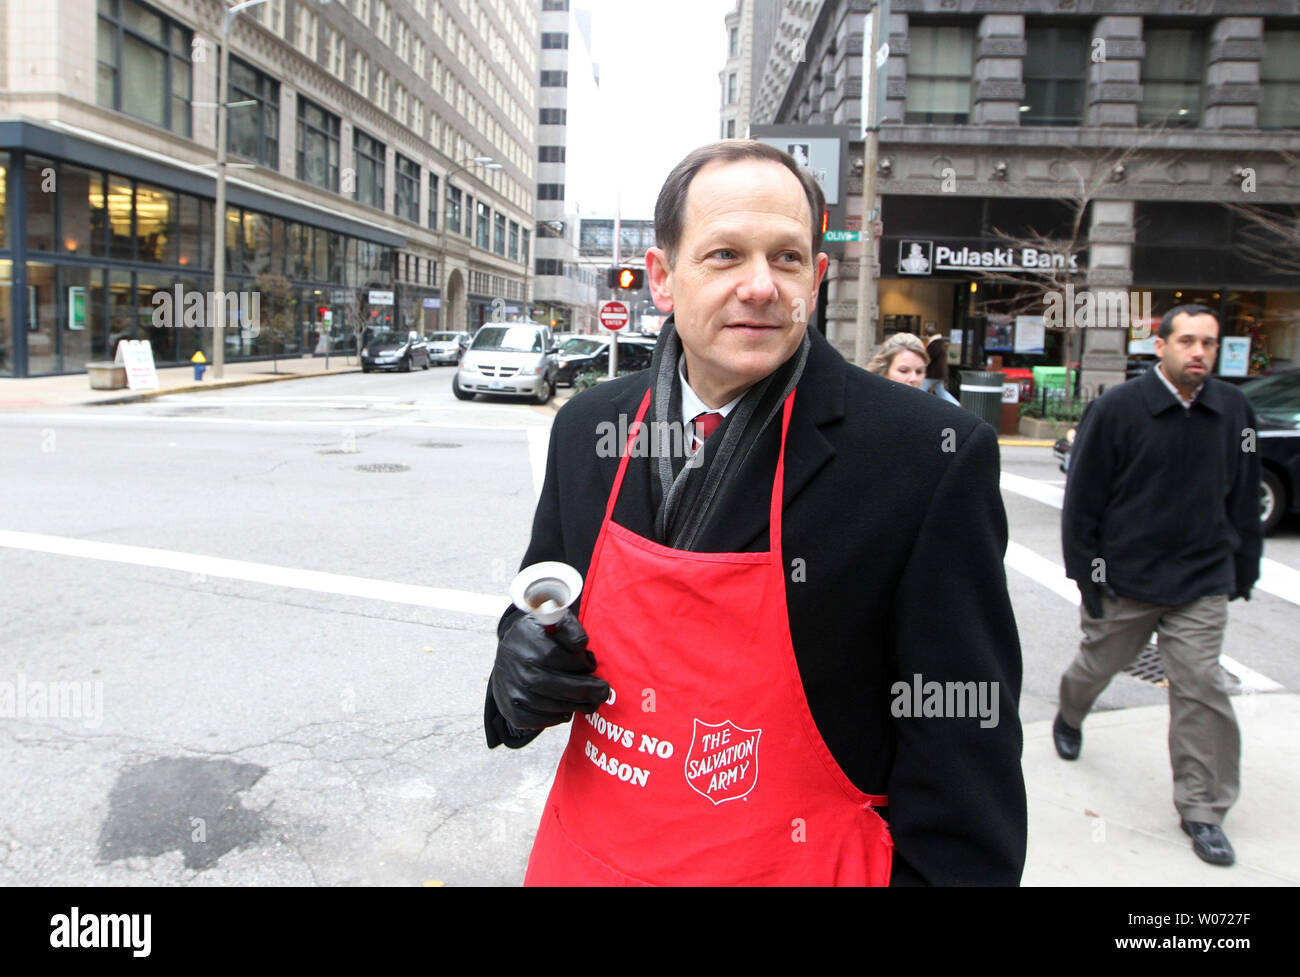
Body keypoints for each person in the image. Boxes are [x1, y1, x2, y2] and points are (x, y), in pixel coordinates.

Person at [486, 140, 1025, 886]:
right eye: (725, 255)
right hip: (590, 859)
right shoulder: (590, 427)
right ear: (663, 277)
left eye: (788, 257)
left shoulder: (926, 457)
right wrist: (517, 669)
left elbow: (965, 760)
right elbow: (542, 597)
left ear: (818, 276)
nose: (761, 286)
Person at [1053, 304, 1261, 867]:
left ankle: (1203, 809)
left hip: (1202, 577)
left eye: (1210, 343)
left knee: (1200, 686)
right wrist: (1088, 578)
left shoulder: (1234, 410)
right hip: (1127, 576)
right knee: (1097, 665)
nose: (1200, 352)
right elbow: (1084, 503)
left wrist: (1245, 563)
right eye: (1188, 341)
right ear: (1160, 346)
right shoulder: (1118, 410)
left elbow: (1243, 492)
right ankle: (1071, 714)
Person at [921, 324, 960, 405]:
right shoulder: (941, 343)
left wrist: (922, 365)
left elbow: (928, 358)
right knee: (941, 391)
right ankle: (955, 405)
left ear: (927, 335)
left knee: (920, 390)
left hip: (932, 373)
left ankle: (918, 404)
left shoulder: (934, 344)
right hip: (940, 373)